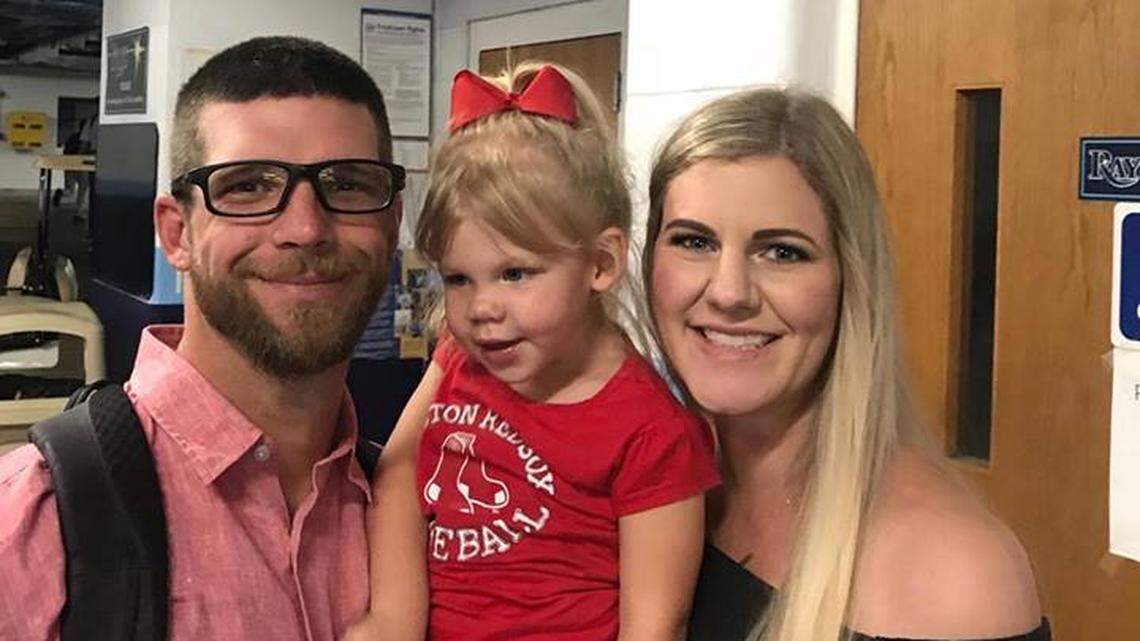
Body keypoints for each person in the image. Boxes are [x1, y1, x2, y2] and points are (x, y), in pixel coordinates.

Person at [0, 36, 403, 640]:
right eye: (246, 187)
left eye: (347, 185)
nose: (304, 228)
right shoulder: (37, 523)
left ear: (392, 223)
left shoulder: (425, 516)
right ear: (176, 233)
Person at [641, 87, 1050, 641]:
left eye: (782, 252)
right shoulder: (651, 490)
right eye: (693, 242)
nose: (730, 292)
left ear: (849, 281)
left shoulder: (955, 575)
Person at [346, 63, 720, 641]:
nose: (480, 309)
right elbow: (399, 480)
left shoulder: (652, 431)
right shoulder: (457, 357)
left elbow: (654, 625)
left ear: (600, 263)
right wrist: (392, 618)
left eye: (514, 273)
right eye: (459, 278)